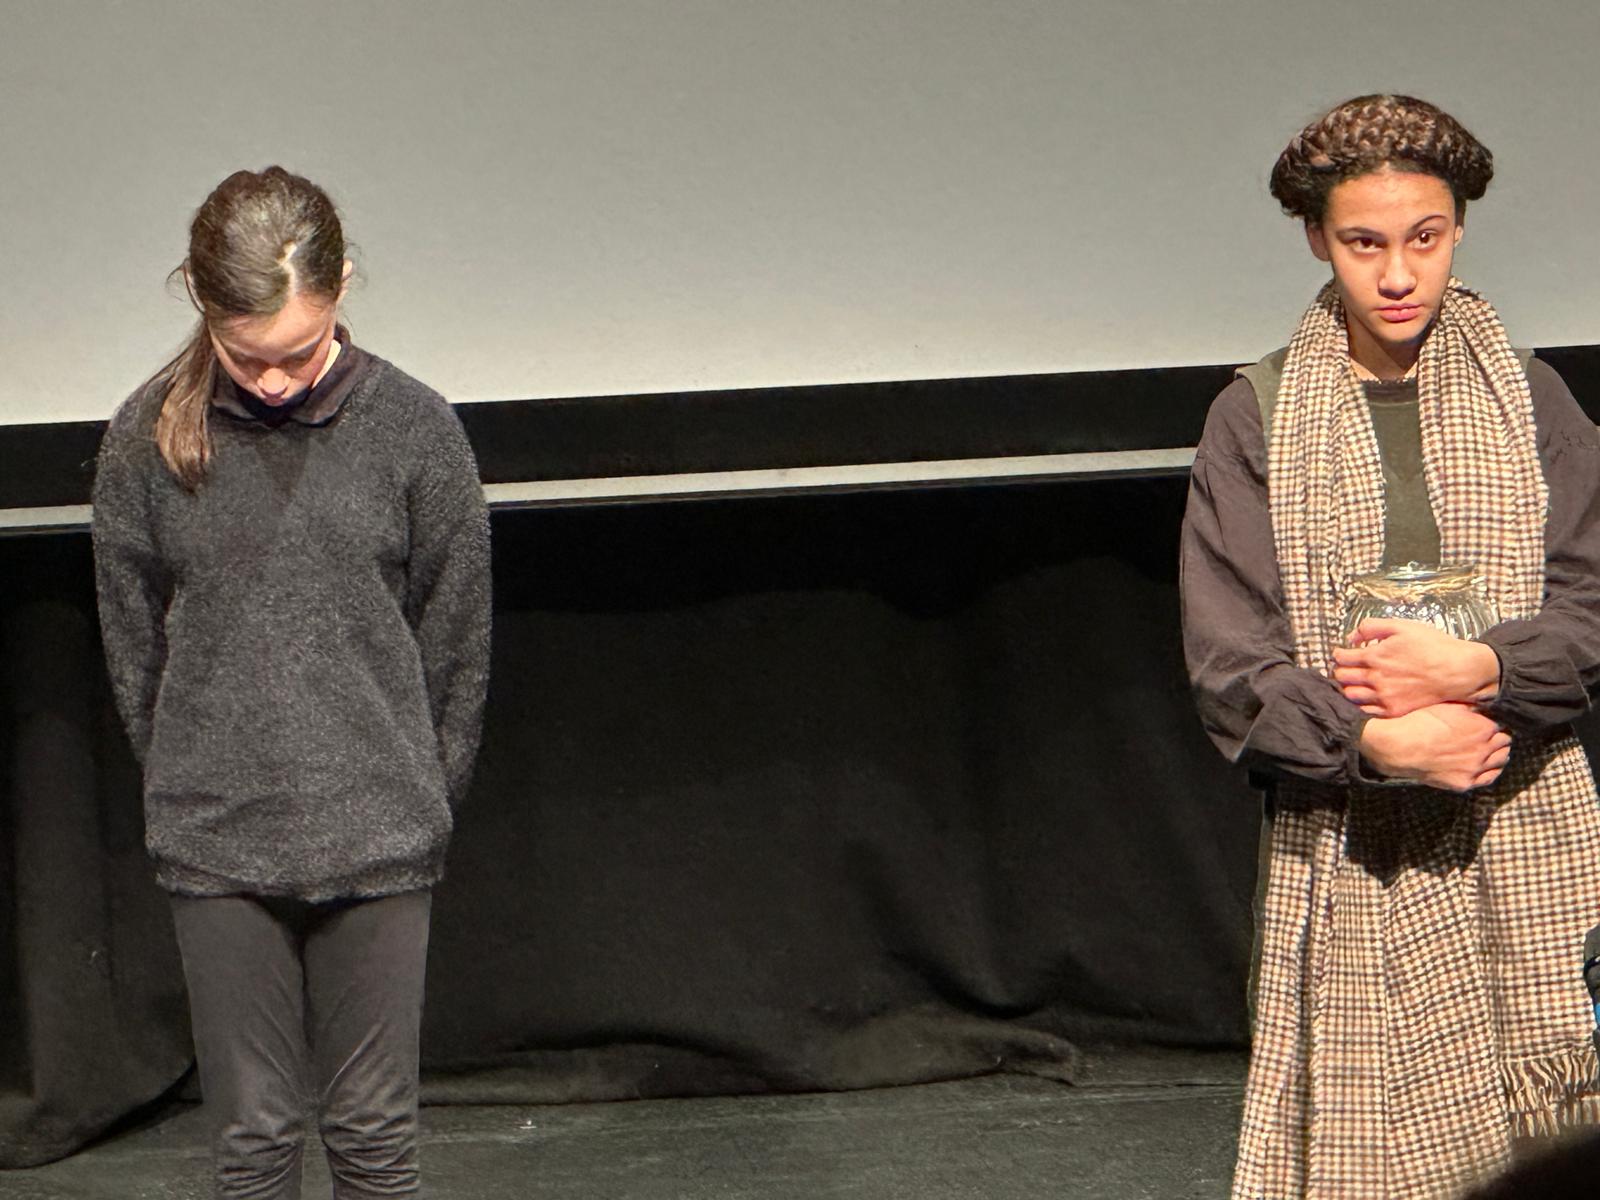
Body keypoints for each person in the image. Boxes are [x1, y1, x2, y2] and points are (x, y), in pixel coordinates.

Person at [1181, 96, 1600, 1199]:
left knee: (1548, 1120)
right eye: (1365, 243)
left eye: (1425, 237)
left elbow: (1591, 600)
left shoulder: (1531, 398)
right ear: (1317, 239)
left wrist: (1484, 670)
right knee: (1366, 1142)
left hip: (1523, 801)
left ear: (1459, 229)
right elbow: (1231, 665)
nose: (1400, 274)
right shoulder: (1257, 415)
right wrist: (1378, 742)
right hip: (1346, 830)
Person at [92, 167, 491, 1198]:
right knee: (254, 1139)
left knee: (374, 1138)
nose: (274, 382)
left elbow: (455, 644)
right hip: (217, 837)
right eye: (248, 357)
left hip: (380, 830)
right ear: (200, 301)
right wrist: (192, 781)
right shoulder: (147, 439)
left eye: (298, 353)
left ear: (342, 286)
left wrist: (415, 798)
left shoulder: (415, 431)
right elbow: (134, 649)